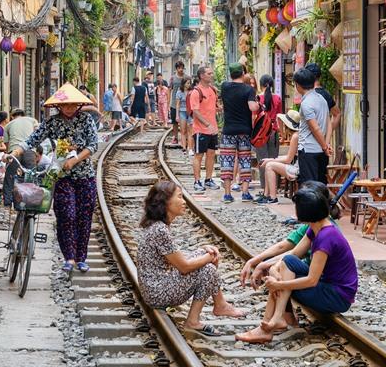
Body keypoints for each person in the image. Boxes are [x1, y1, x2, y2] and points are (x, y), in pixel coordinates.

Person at [236, 183, 357, 343]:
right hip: (327, 286)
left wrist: (278, 285)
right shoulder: (317, 227)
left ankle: (267, 327)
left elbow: (311, 280)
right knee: (286, 264)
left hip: (337, 297)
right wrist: (274, 269)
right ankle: (275, 320)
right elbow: (292, 255)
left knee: (282, 279)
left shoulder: (325, 237)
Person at [137, 180, 245, 335]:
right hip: (158, 293)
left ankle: (220, 304)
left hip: (155, 288)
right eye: (180, 197)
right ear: (165, 201)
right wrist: (209, 257)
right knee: (207, 269)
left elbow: (174, 258)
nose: (184, 202)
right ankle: (195, 320)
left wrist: (203, 250)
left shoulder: (157, 226)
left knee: (204, 258)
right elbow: (184, 267)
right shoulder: (160, 230)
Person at [22, 83, 99, 273]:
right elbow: (33, 139)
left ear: (79, 105)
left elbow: (93, 145)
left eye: (73, 105)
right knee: (66, 215)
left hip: (85, 176)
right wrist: (16, 150)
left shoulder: (86, 120)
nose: (70, 108)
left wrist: (75, 160)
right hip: (62, 177)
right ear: (58, 106)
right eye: (65, 105)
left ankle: (81, 258)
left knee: (84, 217)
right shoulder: (52, 122)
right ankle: (69, 258)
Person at [219, 63, 259, 203]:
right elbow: (252, 107)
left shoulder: (224, 87)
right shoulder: (248, 89)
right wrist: (258, 104)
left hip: (228, 131)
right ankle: (245, 193)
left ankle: (227, 194)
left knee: (227, 161)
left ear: (231, 74)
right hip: (244, 131)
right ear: (243, 73)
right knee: (244, 161)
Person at [294, 68, 331, 184]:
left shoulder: (306, 104)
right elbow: (328, 123)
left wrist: (325, 146)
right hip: (321, 150)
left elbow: (315, 128)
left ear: (298, 85)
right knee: (320, 185)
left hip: (308, 150)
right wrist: (326, 144)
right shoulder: (322, 99)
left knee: (310, 187)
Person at [255, 110, 300, 204]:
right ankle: (266, 195)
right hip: (297, 165)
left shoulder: (295, 137)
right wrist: (270, 159)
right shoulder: (297, 135)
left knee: (270, 165)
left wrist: (271, 160)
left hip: (298, 169)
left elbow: (288, 159)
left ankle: (272, 197)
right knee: (269, 164)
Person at [190, 67, 220, 192]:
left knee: (211, 154)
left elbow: (214, 107)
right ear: (201, 76)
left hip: (212, 129)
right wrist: (207, 124)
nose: (211, 75)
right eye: (209, 73)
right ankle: (197, 181)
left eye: (211, 73)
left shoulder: (213, 90)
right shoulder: (196, 92)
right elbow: (195, 112)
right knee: (198, 155)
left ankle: (208, 179)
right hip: (201, 129)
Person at [2, 109, 39, 206]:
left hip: (15, 151)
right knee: (31, 175)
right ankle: (32, 199)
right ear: (23, 115)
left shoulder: (8, 125)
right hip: (29, 151)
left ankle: (8, 201)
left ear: (12, 116)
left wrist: (8, 155)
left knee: (9, 176)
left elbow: (7, 144)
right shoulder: (32, 120)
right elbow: (38, 135)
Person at [254, 75, 284, 196]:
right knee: (273, 161)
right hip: (273, 131)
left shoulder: (257, 99)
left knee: (262, 160)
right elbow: (279, 117)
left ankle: (264, 190)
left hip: (260, 132)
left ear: (261, 85)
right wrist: (281, 133)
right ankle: (273, 190)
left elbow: (254, 117)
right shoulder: (277, 98)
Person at [305, 63, 341, 143]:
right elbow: (337, 113)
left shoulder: (307, 94)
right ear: (320, 76)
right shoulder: (325, 94)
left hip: (309, 142)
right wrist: (328, 132)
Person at [174, 79, 193, 155]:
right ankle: (184, 147)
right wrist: (177, 115)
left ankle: (190, 147)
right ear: (184, 84)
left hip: (190, 112)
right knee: (183, 130)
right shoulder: (179, 92)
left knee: (190, 131)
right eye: (188, 83)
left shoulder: (191, 92)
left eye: (189, 83)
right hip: (182, 111)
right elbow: (177, 104)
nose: (189, 84)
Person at [169, 61, 186, 145]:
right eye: (179, 68)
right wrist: (169, 102)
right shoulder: (172, 78)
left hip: (185, 103)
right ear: (176, 69)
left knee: (185, 121)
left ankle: (185, 138)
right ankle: (175, 137)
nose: (181, 70)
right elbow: (170, 90)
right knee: (174, 122)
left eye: (182, 68)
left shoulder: (186, 77)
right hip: (174, 103)